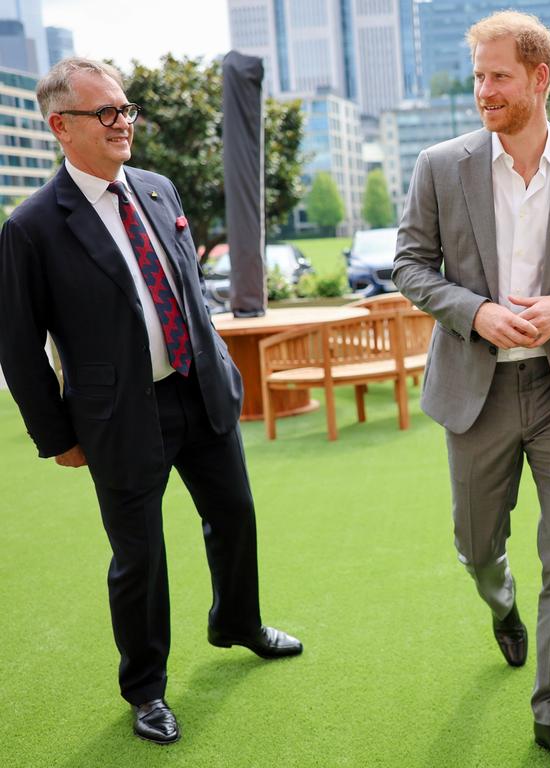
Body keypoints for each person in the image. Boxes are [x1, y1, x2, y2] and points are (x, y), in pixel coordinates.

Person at [0, 58, 302, 745]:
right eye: (106, 112)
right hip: (117, 419)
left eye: (126, 109)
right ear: (61, 127)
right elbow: (18, 348)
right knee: (140, 558)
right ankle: (145, 689)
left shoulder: (160, 190)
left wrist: (221, 369)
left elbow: (188, 292)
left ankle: (238, 621)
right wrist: (58, 437)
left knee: (236, 515)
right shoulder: (32, 227)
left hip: (201, 393)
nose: (123, 123)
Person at [393, 11, 550, 767]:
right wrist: (477, 312)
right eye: (477, 77)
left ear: (539, 78)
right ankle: (499, 604)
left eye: (498, 76)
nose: (483, 90)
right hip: (476, 394)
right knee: (477, 547)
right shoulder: (441, 165)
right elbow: (410, 265)